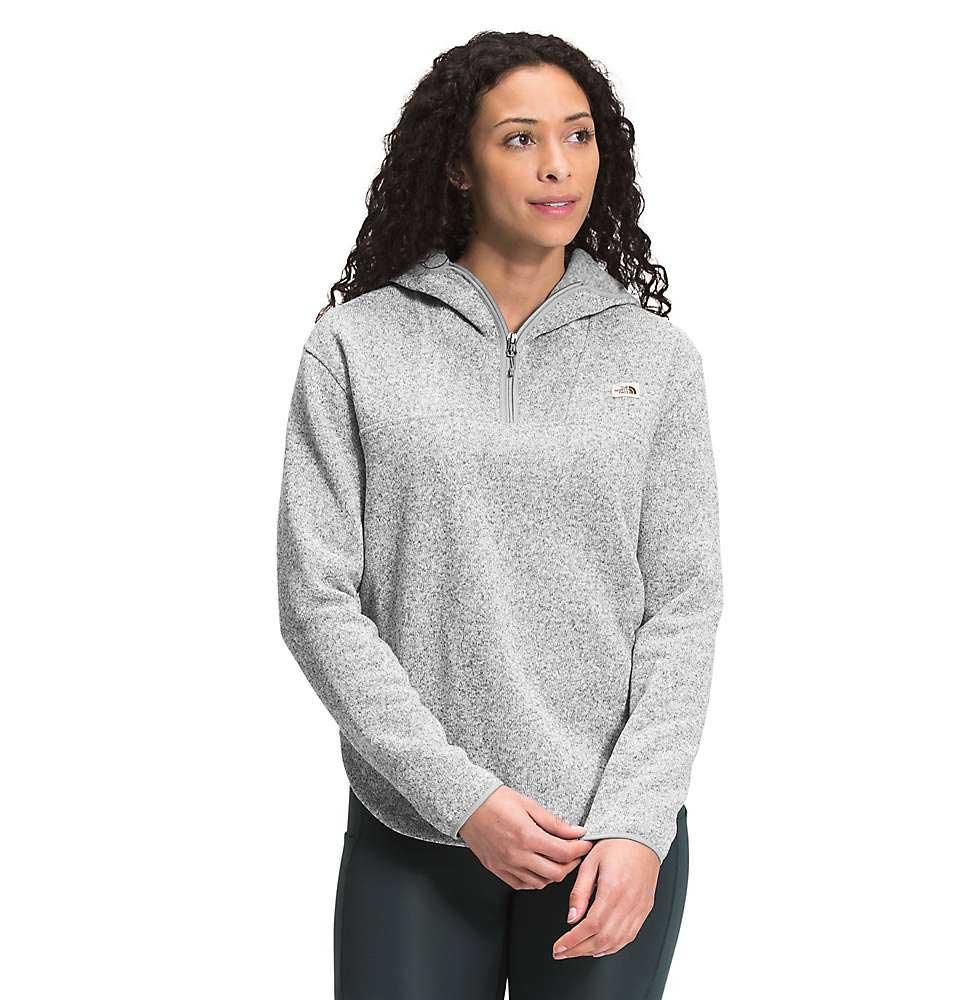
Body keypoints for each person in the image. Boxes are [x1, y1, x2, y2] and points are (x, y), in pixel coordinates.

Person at [276, 29, 724, 999]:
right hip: (416, 830)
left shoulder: (657, 360)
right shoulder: (355, 347)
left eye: (578, 135)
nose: (558, 165)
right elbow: (317, 602)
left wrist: (638, 823)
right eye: (520, 138)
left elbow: (684, 607)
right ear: (457, 164)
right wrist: (462, 798)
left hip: (605, 839)